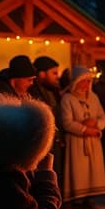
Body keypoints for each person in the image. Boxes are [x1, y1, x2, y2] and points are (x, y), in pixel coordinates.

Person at [60, 66, 105, 209]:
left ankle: (88, 200)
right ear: (76, 82)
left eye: (88, 81)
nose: (86, 84)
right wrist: (84, 129)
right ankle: (72, 201)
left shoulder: (93, 98)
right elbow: (66, 122)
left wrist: (96, 125)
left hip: (93, 140)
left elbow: (102, 117)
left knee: (92, 171)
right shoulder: (68, 99)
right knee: (76, 171)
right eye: (83, 81)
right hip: (76, 142)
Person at [30, 56, 65, 189]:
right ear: (42, 74)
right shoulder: (34, 93)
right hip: (42, 143)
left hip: (54, 141)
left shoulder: (54, 92)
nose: (57, 77)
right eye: (54, 73)